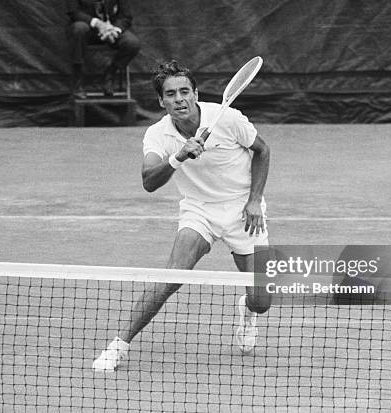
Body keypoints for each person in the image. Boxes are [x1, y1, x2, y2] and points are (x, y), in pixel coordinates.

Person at [93, 60, 272, 371]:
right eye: (171, 94)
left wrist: (255, 199)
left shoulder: (227, 118)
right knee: (170, 279)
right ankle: (118, 346)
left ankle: (248, 309)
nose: (179, 99)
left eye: (184, 92)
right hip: (198, 210)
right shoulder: (157, 134)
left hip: (243, 210)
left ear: (195, 94)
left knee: (262, 300)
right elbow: (149, 180)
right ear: (161, 101)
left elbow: (263, 150)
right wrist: (179, 156)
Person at [66, 0, 141, 98]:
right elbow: (74, 12)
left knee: (132, 43)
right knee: (78, 29)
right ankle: (77, 81)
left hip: (111, 30)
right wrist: (97, 23)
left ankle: (109, 75)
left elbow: (126, 16)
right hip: (87, 29)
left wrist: (115, 30)